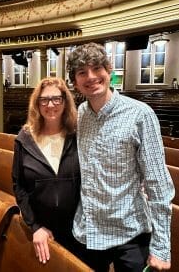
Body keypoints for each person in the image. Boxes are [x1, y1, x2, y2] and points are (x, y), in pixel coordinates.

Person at [66, 42, 175, 272]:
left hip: (129, 231)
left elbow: (158, 184)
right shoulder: (81, 114)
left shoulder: (140, 114)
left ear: (109, 72)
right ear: (75, 82)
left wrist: (162, 247)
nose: (91, 77)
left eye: (97, 68)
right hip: (89, 230)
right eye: (82, 72)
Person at [12, 77, 81, 264]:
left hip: (77, 229)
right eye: (44, 100)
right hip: (42, 229)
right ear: (37, 104)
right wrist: (35, 226)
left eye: (56, 99)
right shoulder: (24, 138)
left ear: (65, 101)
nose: (50, 105)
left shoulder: (78, 135)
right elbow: (19, 186)